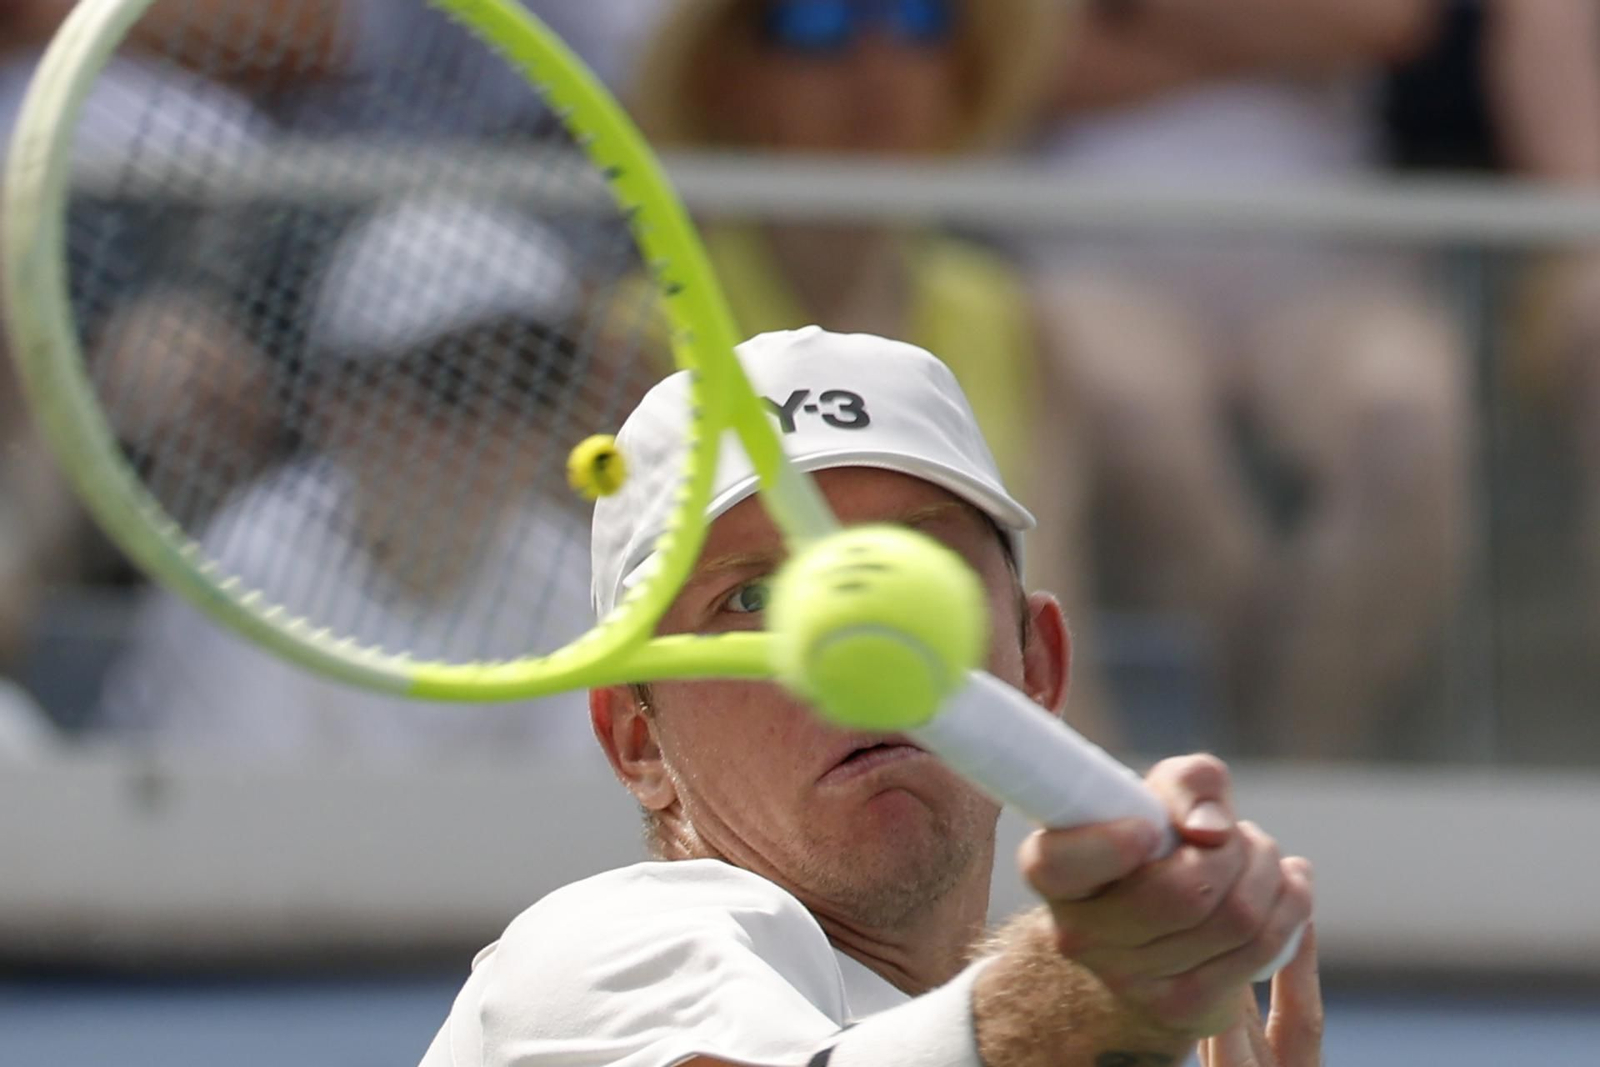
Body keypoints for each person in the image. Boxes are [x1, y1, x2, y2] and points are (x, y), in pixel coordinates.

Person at [419, 327, 1319, 1067]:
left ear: (1035, 663)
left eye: (909, 566)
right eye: (752, 598)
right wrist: (1099, 985)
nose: (857, 645)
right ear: (637, 740)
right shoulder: (589, 956)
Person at [625, 0, 1118, 748]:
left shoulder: (1016, 324)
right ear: (726, 77)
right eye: (816, 23)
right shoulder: (633, 341)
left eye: (922, 22)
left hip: (984, 773)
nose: (879, 64)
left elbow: (1051, 614)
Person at [1030, 0, 1470, 758]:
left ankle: (1303, 762)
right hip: (1095, 259)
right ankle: (1231, 759)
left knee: (1406, 420)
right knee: (1139, 421)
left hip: (1325, 268)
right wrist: (1280, 41)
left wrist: (1134, 18)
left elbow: (1385, 22)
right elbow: (1035, 60)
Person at [94, 198, 602, 763]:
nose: (494, 425)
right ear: (342, 401)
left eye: (533, 381)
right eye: (453, 381)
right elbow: (236, 813)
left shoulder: (570, 577)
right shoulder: (252, 567)